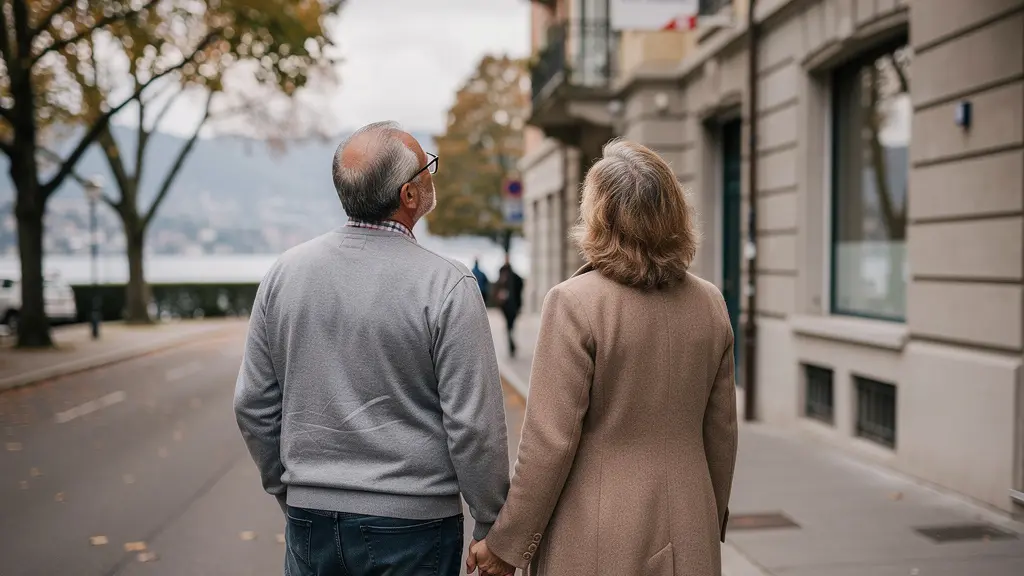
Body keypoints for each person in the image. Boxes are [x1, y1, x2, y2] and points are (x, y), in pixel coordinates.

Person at [234, 121, 512, 576]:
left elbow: (253, 405)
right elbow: (474, 426)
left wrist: (290, 491)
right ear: (408, 196)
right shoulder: (446, 284)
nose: (431, 176)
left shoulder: (285, 274)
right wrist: (491, 523)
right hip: (414, 526)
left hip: (310, 521)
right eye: (428, 168)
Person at [468, 140, 738, 576]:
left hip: (597, 532)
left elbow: (548, 444)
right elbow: (722, 433)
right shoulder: (710, 303)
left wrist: (505, 545)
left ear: (599, 216)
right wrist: (709, 515)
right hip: (691, 524)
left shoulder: (575, 303)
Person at [494, 255, 523, 357]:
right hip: (506, 306)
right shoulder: (502, 275)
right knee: (509, 326)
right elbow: (497, 289)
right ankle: (511, 343)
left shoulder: (514, 277)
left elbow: (519, 289)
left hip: (512, 305)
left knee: (510, 325)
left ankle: (511, 342)